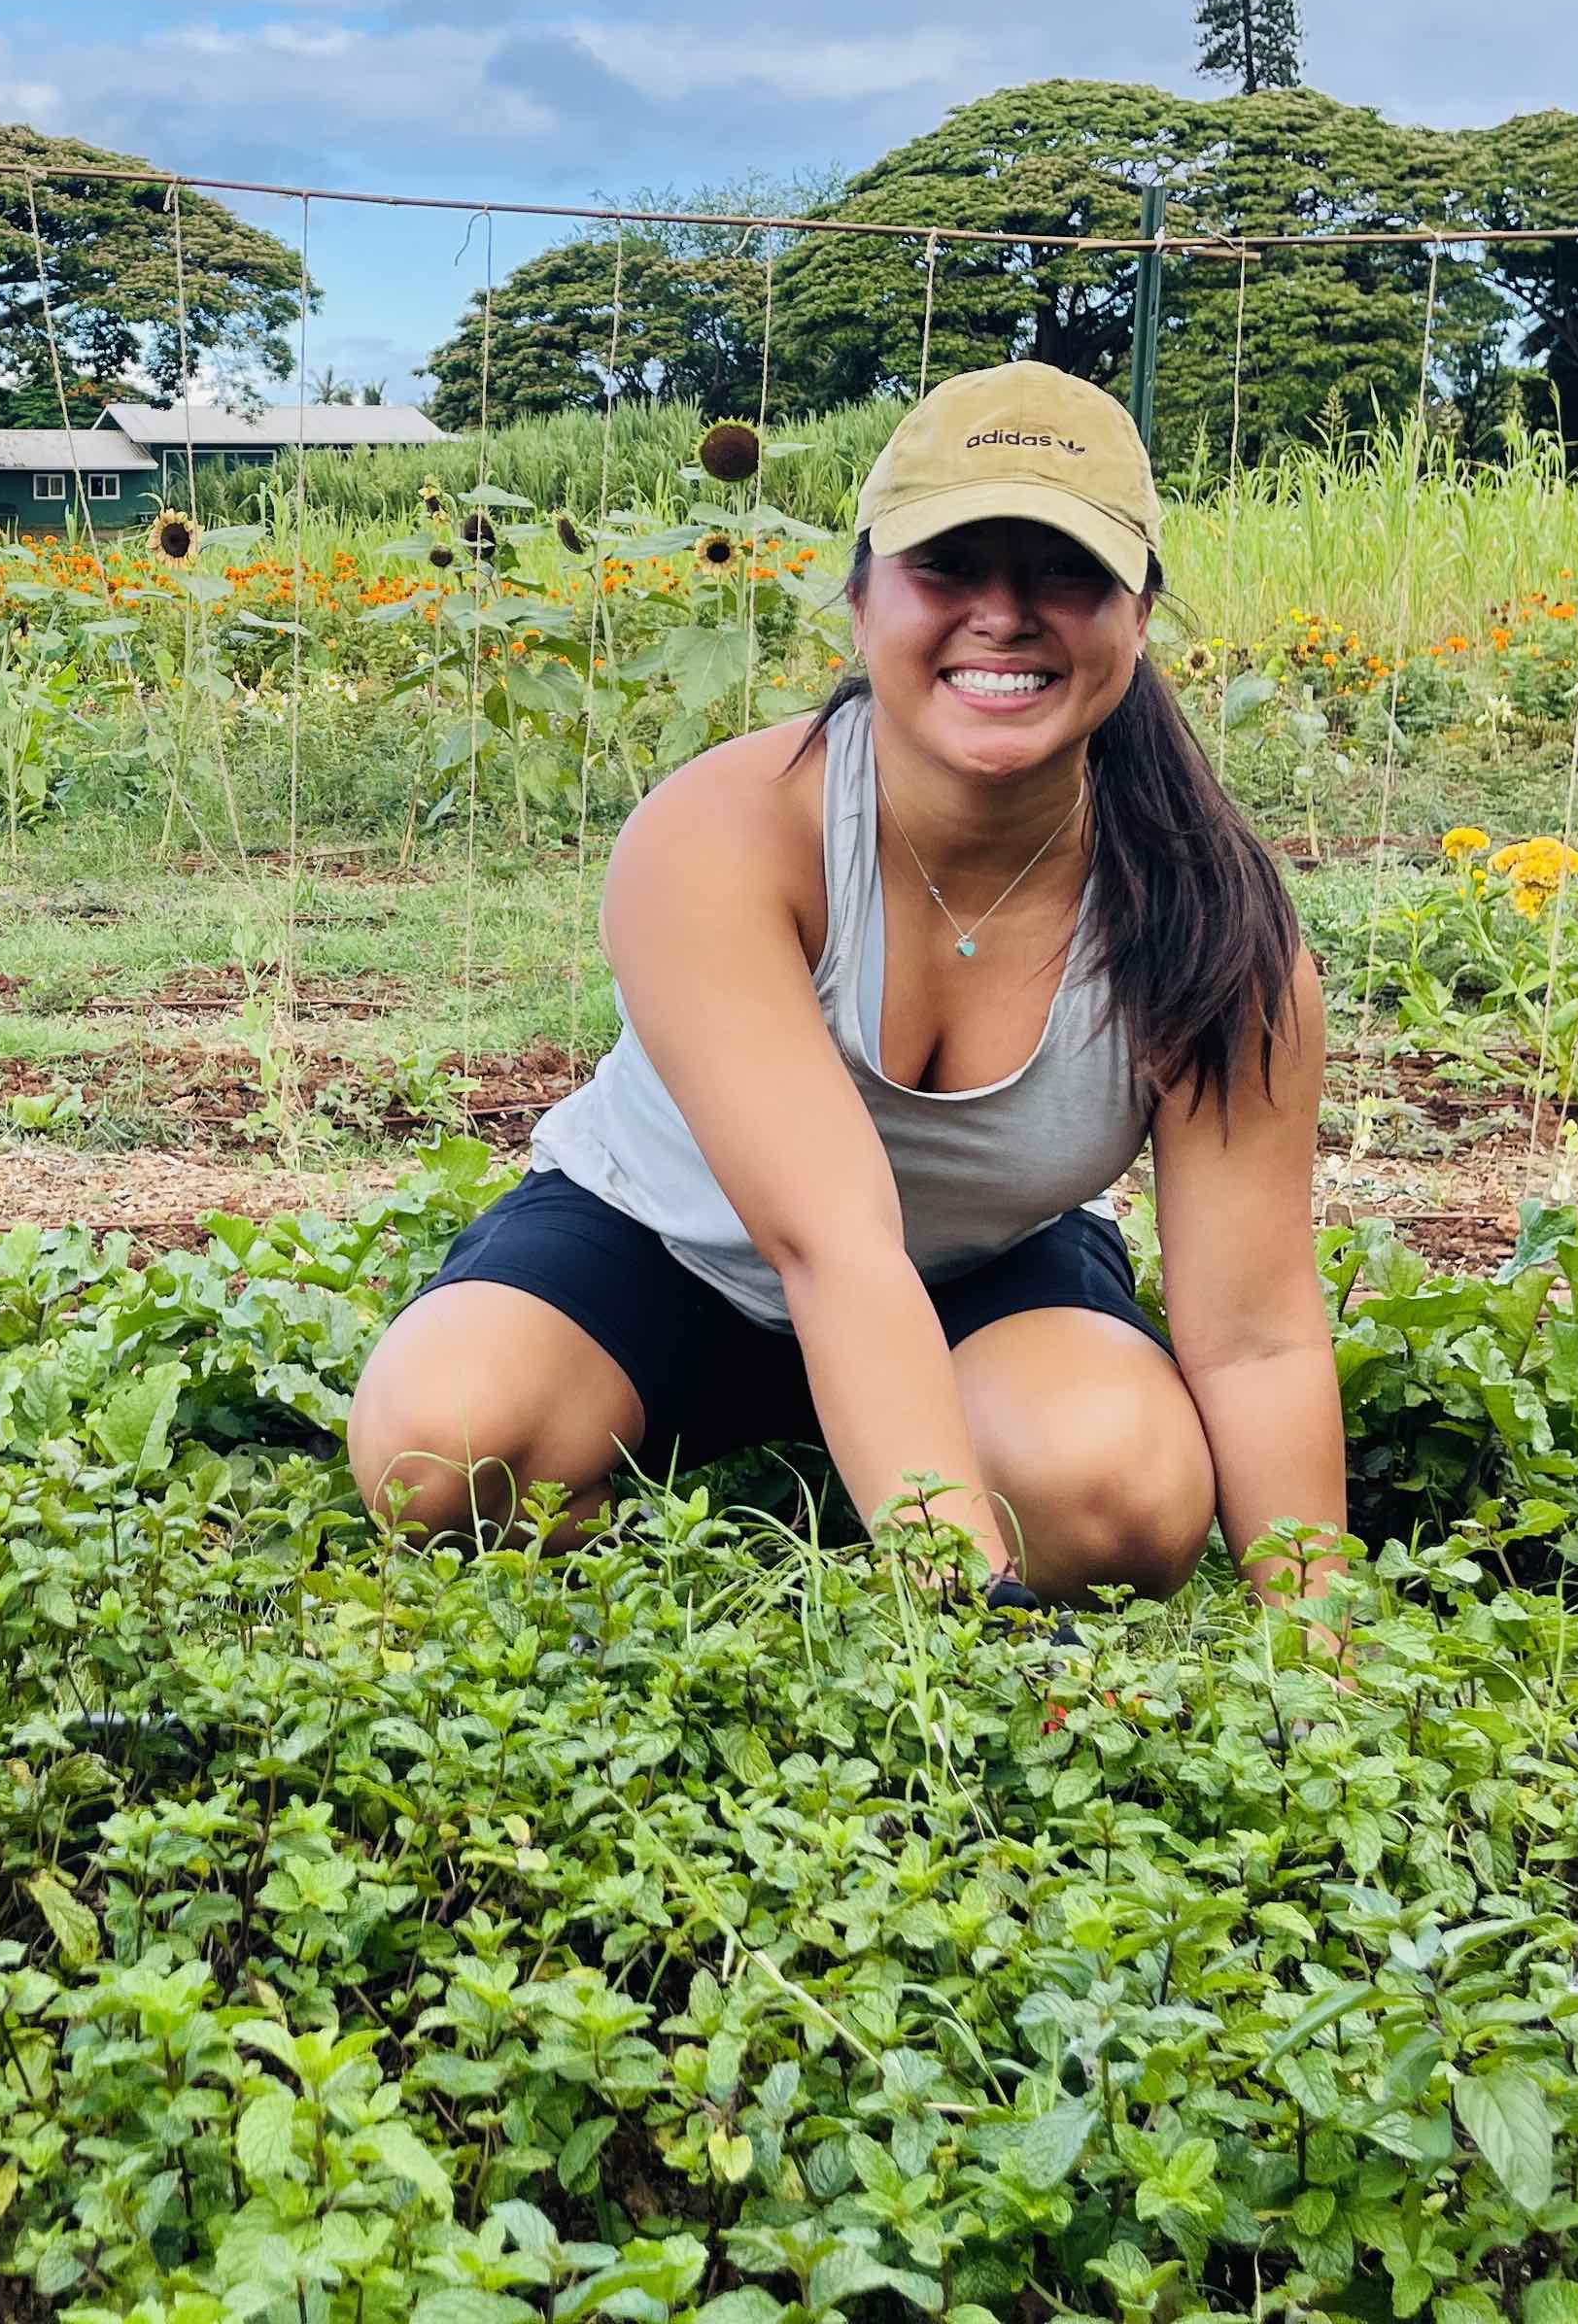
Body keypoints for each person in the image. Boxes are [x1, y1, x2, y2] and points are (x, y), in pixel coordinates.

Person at [350, 359, 1348, 1629]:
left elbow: (1254, 1332)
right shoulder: (725, 834)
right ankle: (766, 1478)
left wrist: (1316, 1651)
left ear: (1137, 614)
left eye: (1062, 571)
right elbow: (829, 1240)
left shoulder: (1211, 926)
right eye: (949, 567)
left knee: (1123, 1505)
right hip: (665, 1248)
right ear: (861, 596)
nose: (1004, 615)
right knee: (441, 1456)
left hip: (977, 1275)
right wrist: (964, 1608)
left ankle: (907, 1458)